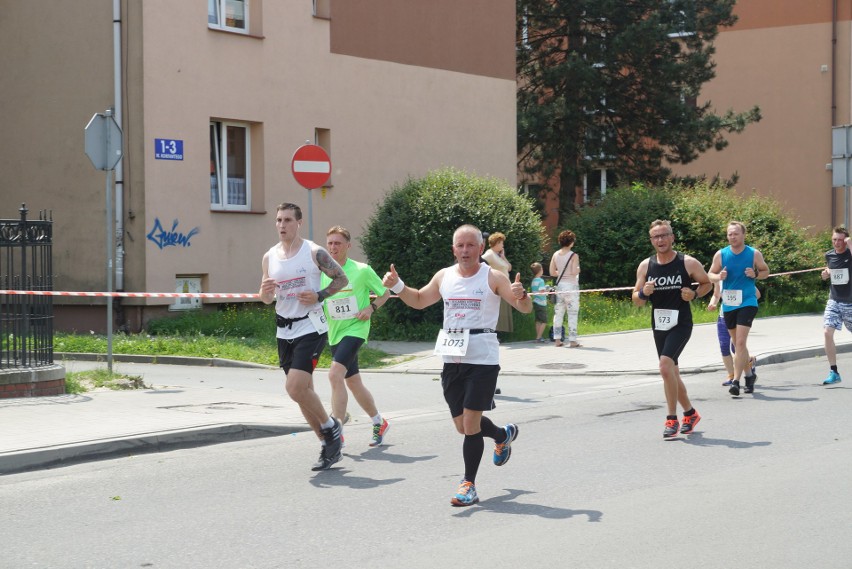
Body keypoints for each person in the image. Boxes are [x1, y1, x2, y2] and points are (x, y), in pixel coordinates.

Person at [382, 224, 533, 506]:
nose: (465, 251)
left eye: (470, 246)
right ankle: (502, 435)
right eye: (460, 246)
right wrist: (398, 286)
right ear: (454, 250)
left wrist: (522, 295)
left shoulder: (494, 277)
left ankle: (468, 485)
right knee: (463, 426)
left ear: (480, 249)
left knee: (471, 422)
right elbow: (417, 300)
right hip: (452, 357)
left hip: (483, 359)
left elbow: (523, 308)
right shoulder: (444, 276)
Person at [259, 203, 349, 471]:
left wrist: (319, 295)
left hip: (310, 326)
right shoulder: (269, 257)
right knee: (302, 393)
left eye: (287, 220)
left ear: (298, 223)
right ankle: (328, 445)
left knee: (295, 387)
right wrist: (264, 291)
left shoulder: (313, 252)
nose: (282, 225)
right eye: (278, 220)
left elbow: (341, 279)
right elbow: (266, 299)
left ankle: (331, 428)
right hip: (283, 328)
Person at [633, 220, 712, 438]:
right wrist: (643, 293)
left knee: (665, 367)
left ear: (672, 237)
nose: (660, 240)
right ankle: (690, 413)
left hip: (681, 323)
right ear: (651, 240)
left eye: (663, 235)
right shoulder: (645, 266)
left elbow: (707, 284)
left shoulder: (687, 262)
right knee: (672, 372)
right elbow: (636, 299)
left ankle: (671, 419)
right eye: (655, 237)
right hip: (659, 324)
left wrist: (694, 294)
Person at [322, 226, 392, 446]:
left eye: (338, 243)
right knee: (353, 382)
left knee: (334, 375)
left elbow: (385, 293)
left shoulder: (362, 270)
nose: (333, 247)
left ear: (348, 246)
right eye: (330, 243)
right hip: (335, 333)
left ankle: (337, 431)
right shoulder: (322, 272)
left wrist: (370, 308)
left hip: (356, 329)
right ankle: (378, 421)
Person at [708, 221, 770, 396]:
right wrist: (718, 276)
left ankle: (736, 381)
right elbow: (710, 274)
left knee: (740, 343)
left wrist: (756, 274)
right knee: (737, 343)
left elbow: (766, 271)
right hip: (729, 303)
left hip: (748, 301)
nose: (732, 237)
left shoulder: (753, 254)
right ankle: (749, 375)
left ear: (743, 235)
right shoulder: (721, 254)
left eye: (735, 233)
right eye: (729, 234)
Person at [707, 281, 758, 386]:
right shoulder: (719, 278)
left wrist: (744, 304)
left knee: (736, 347)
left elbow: (757, 294)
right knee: (724, 346)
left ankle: (748, 362)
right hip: (724, 316)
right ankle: (731, 376)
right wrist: (713, 303)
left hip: (739, 316)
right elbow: (716, 295)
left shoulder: (740, 276)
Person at [820, 226, 852, 385]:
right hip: (834, 299)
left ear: (846, 240)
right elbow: (831, 269)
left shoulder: (850, 252)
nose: (837, 243)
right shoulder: (829, 255)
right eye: (834, 239)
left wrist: (851, 246)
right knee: (827, 332)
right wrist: (826, 274)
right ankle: (834, 371)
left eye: (841, 240)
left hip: (851, 302)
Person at [549, 229, 581, 348]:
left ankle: (557, 339)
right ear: (571, 242)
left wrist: (561, 271)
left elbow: (552, 272)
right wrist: (578, 269)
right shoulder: (574, 255)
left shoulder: (555, 254)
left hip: (560, 286)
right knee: (572, 313)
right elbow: (574, 271)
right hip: (571, 286)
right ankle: (573, 341)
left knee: (558, 313)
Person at [481, 232, 514, 334]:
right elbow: (481, 261)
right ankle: (494, 332)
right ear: (496, 243)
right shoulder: (490, 254)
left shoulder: (498, 255)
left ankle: (498, 332)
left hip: (505, 286)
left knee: (502, 310)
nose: (503, 245)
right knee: (497, 310)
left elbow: (509, 268)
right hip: (496, 287)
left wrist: (503, 257)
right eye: (501, 243)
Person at [530, 262, 548, 343]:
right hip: (541, 303)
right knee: (544, 321)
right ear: (540, 270)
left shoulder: (533, 281)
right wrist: (547, 290)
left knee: (538, 321)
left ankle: (538, 336)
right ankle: (538, 337)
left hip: (535, 302)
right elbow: (541, 291)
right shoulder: (541, 281)